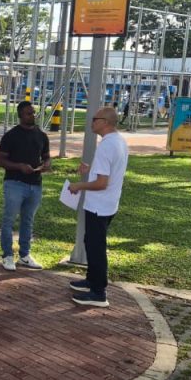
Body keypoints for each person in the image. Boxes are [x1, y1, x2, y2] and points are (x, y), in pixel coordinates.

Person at [67, 107, 128, 308]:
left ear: (105, 122)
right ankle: (91, 280)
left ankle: (98, 292)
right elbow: (106, 173)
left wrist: (78, 185)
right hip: (108, 204)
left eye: (94, 119)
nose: (91, 122)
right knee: (91, 241)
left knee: (96, 247)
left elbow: (102, 183)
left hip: (99, 205)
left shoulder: (106, 146)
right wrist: (90, 170)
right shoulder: (118, 141)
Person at [0, 101, 51, 271]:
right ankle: (7, 255)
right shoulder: (11, 136)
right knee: (9, 220)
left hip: (35, 184)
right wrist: (19, 166)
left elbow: (46, 156)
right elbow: (0, 161)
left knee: (28, 220)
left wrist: (47, 163)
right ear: (20, 115)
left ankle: (25, 255)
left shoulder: (41, 136)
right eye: (29, 113)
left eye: (34, 112)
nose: (32, 116)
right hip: (14, 184)